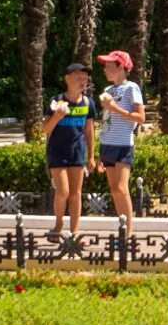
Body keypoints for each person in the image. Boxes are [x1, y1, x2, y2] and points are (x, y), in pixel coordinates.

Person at [44, 62, 98, 238]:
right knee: (63, 192)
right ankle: (58, 223)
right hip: (57, 152)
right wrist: (57, 117)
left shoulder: (88, 103)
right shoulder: (56, 101)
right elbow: (45, 130)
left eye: (85, 78)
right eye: (78, 78)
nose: (82, 82)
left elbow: (89, 130)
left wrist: (91, 156)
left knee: (76, 193)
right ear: (67, 79)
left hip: (77, 153)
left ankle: (74, 231)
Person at [95, 50, 145, 237]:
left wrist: (114, 108)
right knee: (115, 190)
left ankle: (128, 233)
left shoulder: (132, 88)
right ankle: (122, 228)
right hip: (107, 144)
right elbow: (106, 120)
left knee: (122, 188)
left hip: (123, 144)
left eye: (109, 66)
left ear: (121, 67)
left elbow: (140, 117)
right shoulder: (108, 91)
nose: (105, 70)